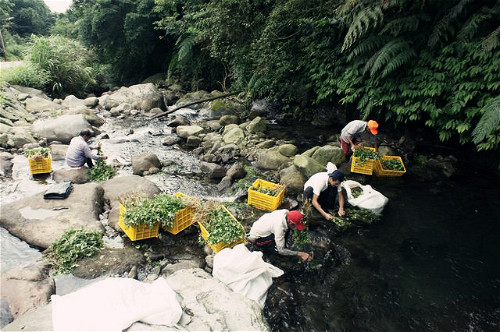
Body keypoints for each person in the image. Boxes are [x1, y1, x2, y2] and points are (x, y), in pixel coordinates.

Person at [248, 209, 312, 262]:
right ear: (290, 222)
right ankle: (268, 252)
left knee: (287, 230)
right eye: (295, 226)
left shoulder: (286, 212)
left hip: (265, 224)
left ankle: (281, 245)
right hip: (257, 238)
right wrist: (300, 254)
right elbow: (281, 251)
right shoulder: (279, 228)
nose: (296, 228)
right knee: (278, 248)